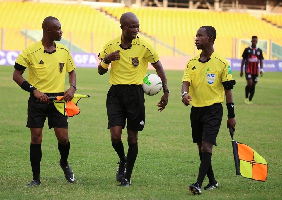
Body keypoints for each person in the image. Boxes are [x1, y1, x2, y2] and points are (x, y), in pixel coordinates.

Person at [97, 12, 169, 186]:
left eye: (137, 26)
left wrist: (166, 91)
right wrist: (106, 60)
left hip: (135, 94)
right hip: (115, 94)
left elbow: (159, 67)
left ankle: (127, 177)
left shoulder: (145, 46)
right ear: (122, 27)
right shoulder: (110, 45)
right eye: (131, 26)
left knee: (132, 138)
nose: (135, 29)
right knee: (115, 136)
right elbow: (100, 71)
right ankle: (123, 160)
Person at [13, 16, 77, 187]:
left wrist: (72, 88)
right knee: (36, 137)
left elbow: (72, 72)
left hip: (58, 100)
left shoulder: (64, 50)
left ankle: (64, 163)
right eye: (58, 28)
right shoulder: (31, 51)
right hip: (37, 100)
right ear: (48, 30)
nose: (61, 31)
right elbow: (16, 75)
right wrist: (34, 90)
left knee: (63, 138)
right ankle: (36, 178)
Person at [181, 26, 236, 195]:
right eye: (196, 35)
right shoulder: (192, 62)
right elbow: (186, 81)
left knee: (206, 146)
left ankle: (198, 183)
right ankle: (212, 181)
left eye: (200, 35)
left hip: (214, 110)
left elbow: (228, 90)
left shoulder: (222, 63)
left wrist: (231, 116)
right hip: (196, 110)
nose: (196, 38)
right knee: (201, 147)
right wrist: (184, 93)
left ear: (210, 38)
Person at [240, 36, 264, 104]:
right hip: (248, 70)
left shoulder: (259, 51)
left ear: (257, 41)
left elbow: (261, 60)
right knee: (249, 83)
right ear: (251, 41)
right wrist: (241, 70)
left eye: (256, 41)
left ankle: (250, 99)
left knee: (253, 84)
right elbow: (243, 60)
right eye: (253, 41)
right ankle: (246, 97)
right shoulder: (247, 50)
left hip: (255, 71)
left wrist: (261, 69)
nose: (254, 42)